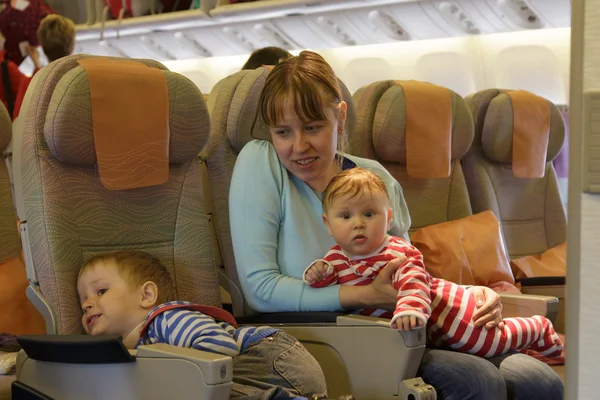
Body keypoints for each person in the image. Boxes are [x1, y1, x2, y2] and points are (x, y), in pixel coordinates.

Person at [228, 50, 564, 399]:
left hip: (402, 326)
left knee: (538, 380)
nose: (299, 146)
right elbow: (260, 289)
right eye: (283, 132)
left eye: (313, 128)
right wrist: (365, 295)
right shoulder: (261, 162)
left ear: (340, 117)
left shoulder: (375, 178)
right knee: (477, 380)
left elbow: (404, 265)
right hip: (319, 336)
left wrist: (473, 292)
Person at [304, 167, 563, 358]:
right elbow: (332, 283)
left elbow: (414, 283)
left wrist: (409, 309)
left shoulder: (397, 252)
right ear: (328, 224)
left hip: (451, 311)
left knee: (483, 344)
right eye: (346, 216)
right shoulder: (335, 257)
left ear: (389, 218)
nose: (358, 223)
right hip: (425, 329)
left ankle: (537, 327)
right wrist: (319, 274)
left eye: (369, 214)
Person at [76, 250, 332, 400]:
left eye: (100, 291)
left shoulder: (165, 320)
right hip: (268, 374)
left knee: (205, 390)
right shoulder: (136, 347)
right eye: (82, 300)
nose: (87, 303)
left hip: (269, 358)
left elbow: (220, 345)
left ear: (146, 296)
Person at [12, 14, 75, 120]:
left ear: (42, 45)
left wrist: (37, 66)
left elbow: (18, 125)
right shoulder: (83, 79)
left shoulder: (30, 84)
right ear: (72, 45)